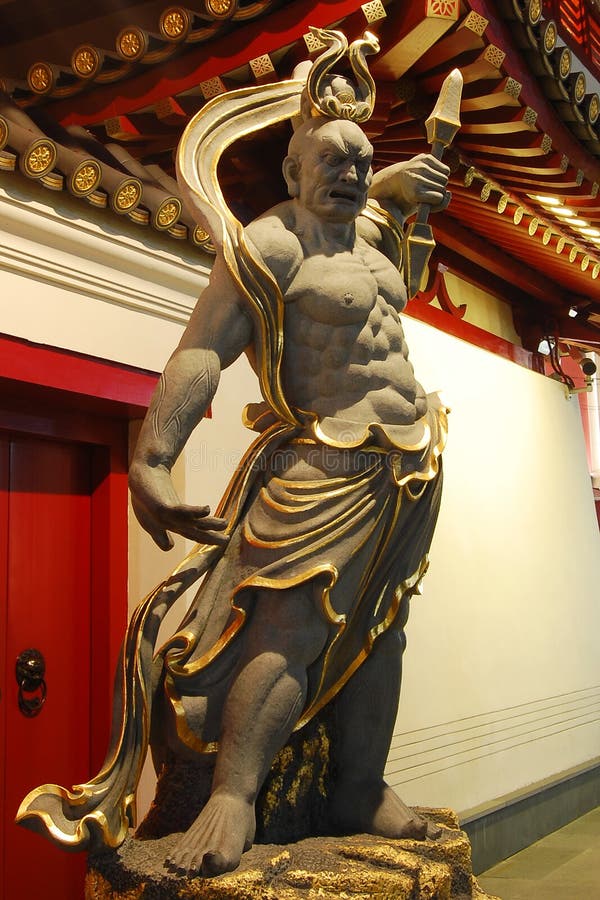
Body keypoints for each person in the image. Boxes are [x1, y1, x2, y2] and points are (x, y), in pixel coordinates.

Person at [128, 109, 450, 877]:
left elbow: (387, 210)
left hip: (408, 465)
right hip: (319, 469)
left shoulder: (371, 238)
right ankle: (233, 797)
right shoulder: (275, 244)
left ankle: (360, 788)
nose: (350, 172)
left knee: (382, 632)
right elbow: (203, 347)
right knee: (287, 631)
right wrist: (154, 457)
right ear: (292, 171)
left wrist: (401, 190)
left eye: (363, 160)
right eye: (332, 158)